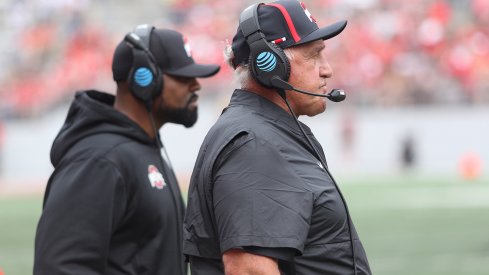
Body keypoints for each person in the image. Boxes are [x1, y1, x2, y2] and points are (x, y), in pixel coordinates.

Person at [183, 1, 371, 274]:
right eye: (313, 55)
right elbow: (248, 268)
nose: (327, 69)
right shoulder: (254, 145)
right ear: (269, 63)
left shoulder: (266, 134)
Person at [34, 25, 220, 275]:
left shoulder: (141, 149)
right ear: (145, 78)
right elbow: (60, 267)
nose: (196, 86)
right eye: (183, 77)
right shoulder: (99, 159)